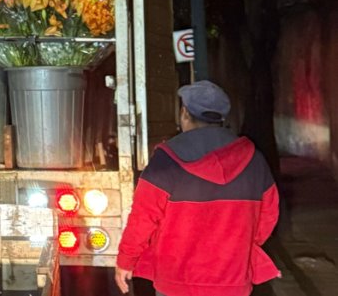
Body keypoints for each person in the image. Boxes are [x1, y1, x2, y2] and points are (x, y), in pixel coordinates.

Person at [115, 81, 281, 296]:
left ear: (185, 114)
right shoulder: (254, 160)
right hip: (232, 280)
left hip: (175, 281)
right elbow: (268, 216)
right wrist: (239, 246)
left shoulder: (166, 160)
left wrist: (126, 260)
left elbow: (142, 217)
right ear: (221, 118)